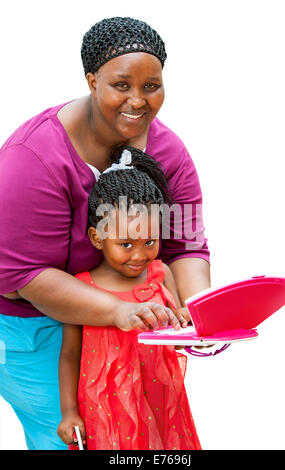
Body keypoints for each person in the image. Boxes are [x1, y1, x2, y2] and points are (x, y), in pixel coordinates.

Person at [0, 17, 210, 450]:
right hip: (32, 331)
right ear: (92, 80)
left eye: (151, 86)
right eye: (121, 85)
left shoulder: (169, 154)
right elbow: (23, 279)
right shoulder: (31, 161)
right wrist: (116, 311)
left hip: (128, 328)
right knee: (80, 440)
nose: (138, 100)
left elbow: (185, 243)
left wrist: (200, 312)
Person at [57, 146, 201, 450]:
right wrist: (69, 412)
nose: (139, 255)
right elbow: (70, 355)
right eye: (125, 243)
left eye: (149, 241)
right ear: (98, 238)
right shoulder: (82, 288)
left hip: (161, 401)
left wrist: (190, 325)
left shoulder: (160, 275)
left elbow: (174, 334)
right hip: (105, 410)